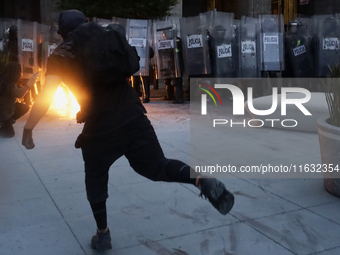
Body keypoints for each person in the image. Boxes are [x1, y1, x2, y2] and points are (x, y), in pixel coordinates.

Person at [21, 10, 234, 252]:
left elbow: (47, 95)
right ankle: (200, 179)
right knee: (157, 166)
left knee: (96, 177)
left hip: (99, 128)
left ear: (63, 33)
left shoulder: (61, 54)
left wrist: (29, 127)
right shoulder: (108, 37)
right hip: (133, 117)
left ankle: (102, 234)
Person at [0, 62, 38, 137]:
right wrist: (29, 84)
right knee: (10, 134)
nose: (21, 74)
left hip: (6, 110)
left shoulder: (5, 80)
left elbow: (17, 90)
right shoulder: (7, 84)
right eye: (20, 72)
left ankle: (7, 122)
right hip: (3, 113)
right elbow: (19, 94)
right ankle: (5, 122)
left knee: (24, 107)